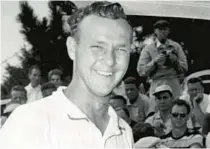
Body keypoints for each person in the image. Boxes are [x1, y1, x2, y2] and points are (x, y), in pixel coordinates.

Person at [0, 2, 134, 148]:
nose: (110, 60)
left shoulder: (124, 131)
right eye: (97, 47)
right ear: (72, 48)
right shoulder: (29, 122)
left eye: (121, 49)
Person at [137, 20, 188, 99]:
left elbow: (185, 68)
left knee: (174, 107)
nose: (163, 32)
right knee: (156, 108)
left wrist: (175, 61)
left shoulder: (176, 46)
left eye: (165, 29)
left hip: (173, 82)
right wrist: (154, 62)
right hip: (157, 82)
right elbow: (141, 71)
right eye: (160, 29)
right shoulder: (148, 49)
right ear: (155, 31)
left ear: (168, 31)